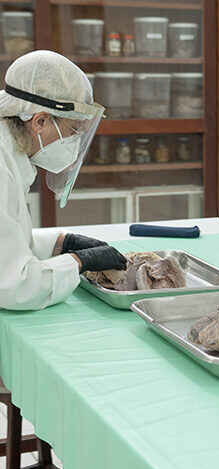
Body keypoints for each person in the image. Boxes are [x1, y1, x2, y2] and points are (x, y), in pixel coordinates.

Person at [0, 50, 127, 311]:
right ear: (40, 121)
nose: (75, 142)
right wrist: (78, 261)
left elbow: (10, 244)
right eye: (72, 131)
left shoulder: (11, 154)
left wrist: (60, 243)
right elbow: (15, 287)